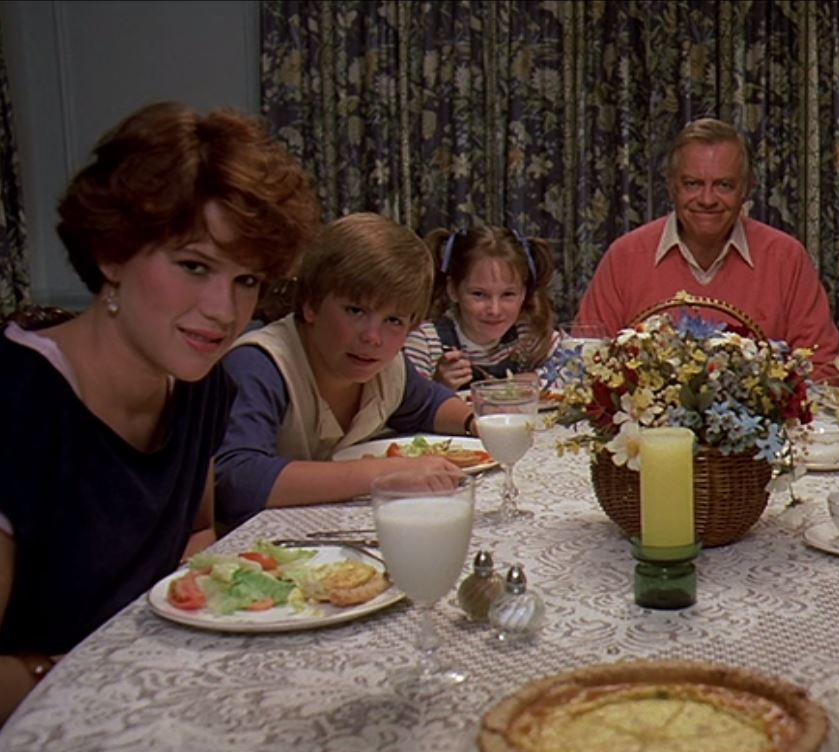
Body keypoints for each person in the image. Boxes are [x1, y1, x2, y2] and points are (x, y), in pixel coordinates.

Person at [0, 102, 320, 721]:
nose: (224, 310)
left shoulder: (200, 386)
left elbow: (196, 534)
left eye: (247, 280)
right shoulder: (17, 401)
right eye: (194, 266)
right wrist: (80, 670)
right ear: (112, 253)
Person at [214, 213, 475, 532]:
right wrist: (387, 473)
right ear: (310, 305)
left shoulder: (384, 366)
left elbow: (428, 403)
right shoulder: (260, 364)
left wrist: (476, 423)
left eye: (394, 320)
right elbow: (235, 479)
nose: (373, 337)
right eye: (355, 311)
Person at [576, 118, 839, 383]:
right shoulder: (625, 257)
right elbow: (586, 362)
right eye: (693, 184)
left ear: (747, 189)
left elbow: (822, 368)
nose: (707, 200)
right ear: (671, 186)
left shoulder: (786, 259)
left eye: (723, 185)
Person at [402, 223, 559, 390]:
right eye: (479, 294)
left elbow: (579, 367)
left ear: (523, 294)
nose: (494, 310)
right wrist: (438, 387)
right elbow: (404, 409)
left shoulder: (528, 336)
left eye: (508, 295)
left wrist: (538, 378)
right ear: (453, 290)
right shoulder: (424, 343)